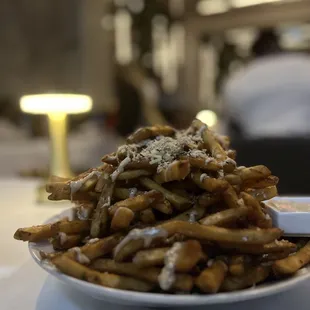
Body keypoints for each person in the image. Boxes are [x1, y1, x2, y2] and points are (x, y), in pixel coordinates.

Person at [223, 28, 310, 139]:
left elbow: (231, 122)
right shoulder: (304, 65)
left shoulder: (239, 77)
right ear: (279, 45)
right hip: (305, 141)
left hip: (257, 146)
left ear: (254, 52)